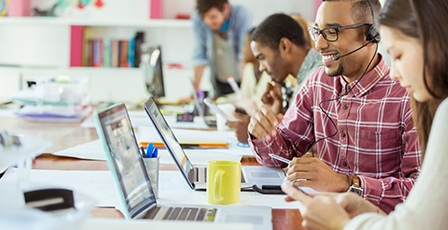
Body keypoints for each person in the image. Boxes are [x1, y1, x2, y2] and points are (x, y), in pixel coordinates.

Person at [282, 0, 448, 229]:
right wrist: (363, 207)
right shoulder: (319, 82)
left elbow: (419, 224)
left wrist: (340, 222)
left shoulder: (438, 112)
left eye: (398, 56)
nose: (395, 73)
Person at [248, 0, 421, 213]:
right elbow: (282, 152)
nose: (319, 45)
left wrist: (348, 184)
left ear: (371, 33)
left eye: (331, 32)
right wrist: (262, 133)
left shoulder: (408, 94)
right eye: (317, 32)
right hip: (320, 218)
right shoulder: (318, 82)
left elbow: (419, 193)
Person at [226, 13, 322, 142]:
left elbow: (315, 143)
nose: (261, 68)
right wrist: (276, 111)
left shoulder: (317, 77)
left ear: (284, 46)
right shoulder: (304, 78)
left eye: (262, 58)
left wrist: (261, 133)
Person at [192, 0, 253, 97]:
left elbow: (244, 54)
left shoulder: (242, 15)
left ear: (226, 8)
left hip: (240, 78)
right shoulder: (198, 17)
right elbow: (200, 55)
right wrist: (194, 91)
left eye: (213, 17)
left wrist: (244, 91)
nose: (208, 22)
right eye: (205, 17)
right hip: (219, 79)